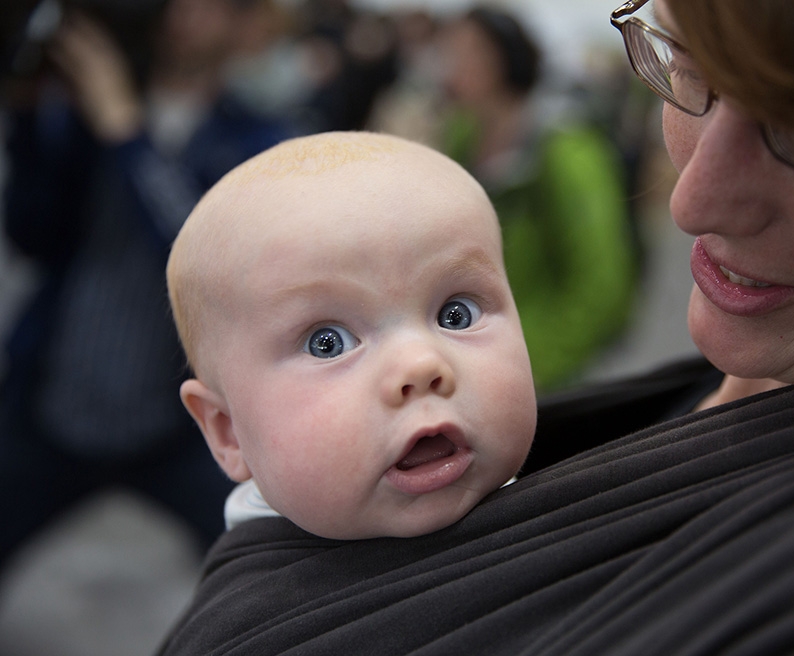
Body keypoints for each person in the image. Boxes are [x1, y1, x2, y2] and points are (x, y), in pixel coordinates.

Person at [156, 1, 794, 653]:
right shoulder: (785, 356)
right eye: (690, 70)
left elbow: (598, 285)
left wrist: (518, 361)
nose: (690, 200)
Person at [0, 0, 293, 573]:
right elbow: (31, 235)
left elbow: (204, 259)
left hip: (177, 417)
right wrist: (30, 114)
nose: (188, 13)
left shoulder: (261, 138)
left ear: (247, 25)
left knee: (256, 570)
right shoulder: (81, 110)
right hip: (53, 396)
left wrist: (126, 131)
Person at [166, 131, 537, 540]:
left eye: (456, 315)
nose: (420, 365)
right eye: (327, 343)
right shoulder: (269, 599)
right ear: (229, 432)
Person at [437, 6, 639, 391]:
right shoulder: (462, 137)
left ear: (505, 57)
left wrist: (530, 366)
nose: (450, 65)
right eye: (447, 51)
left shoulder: (567, 149)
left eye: (468, 51)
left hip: (541, 370)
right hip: (477, 358)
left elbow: (603, 286)